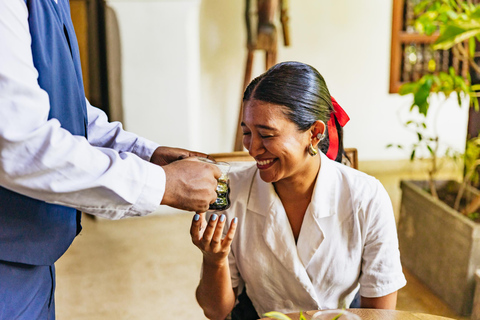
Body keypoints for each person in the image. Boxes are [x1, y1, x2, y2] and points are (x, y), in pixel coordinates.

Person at [0, 0, 221, 318]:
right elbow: (20, 144)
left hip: (31, 258)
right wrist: (162, 184)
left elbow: (68, 107)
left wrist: (147, 154)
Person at [190, 61, 407, 319]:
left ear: (314, 134)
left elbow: (379, 314)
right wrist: (214, 260)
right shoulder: (232, 192)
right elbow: (216, 312)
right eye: (247, 132)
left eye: (267, 135)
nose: (253, 148)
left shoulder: (366, 197)